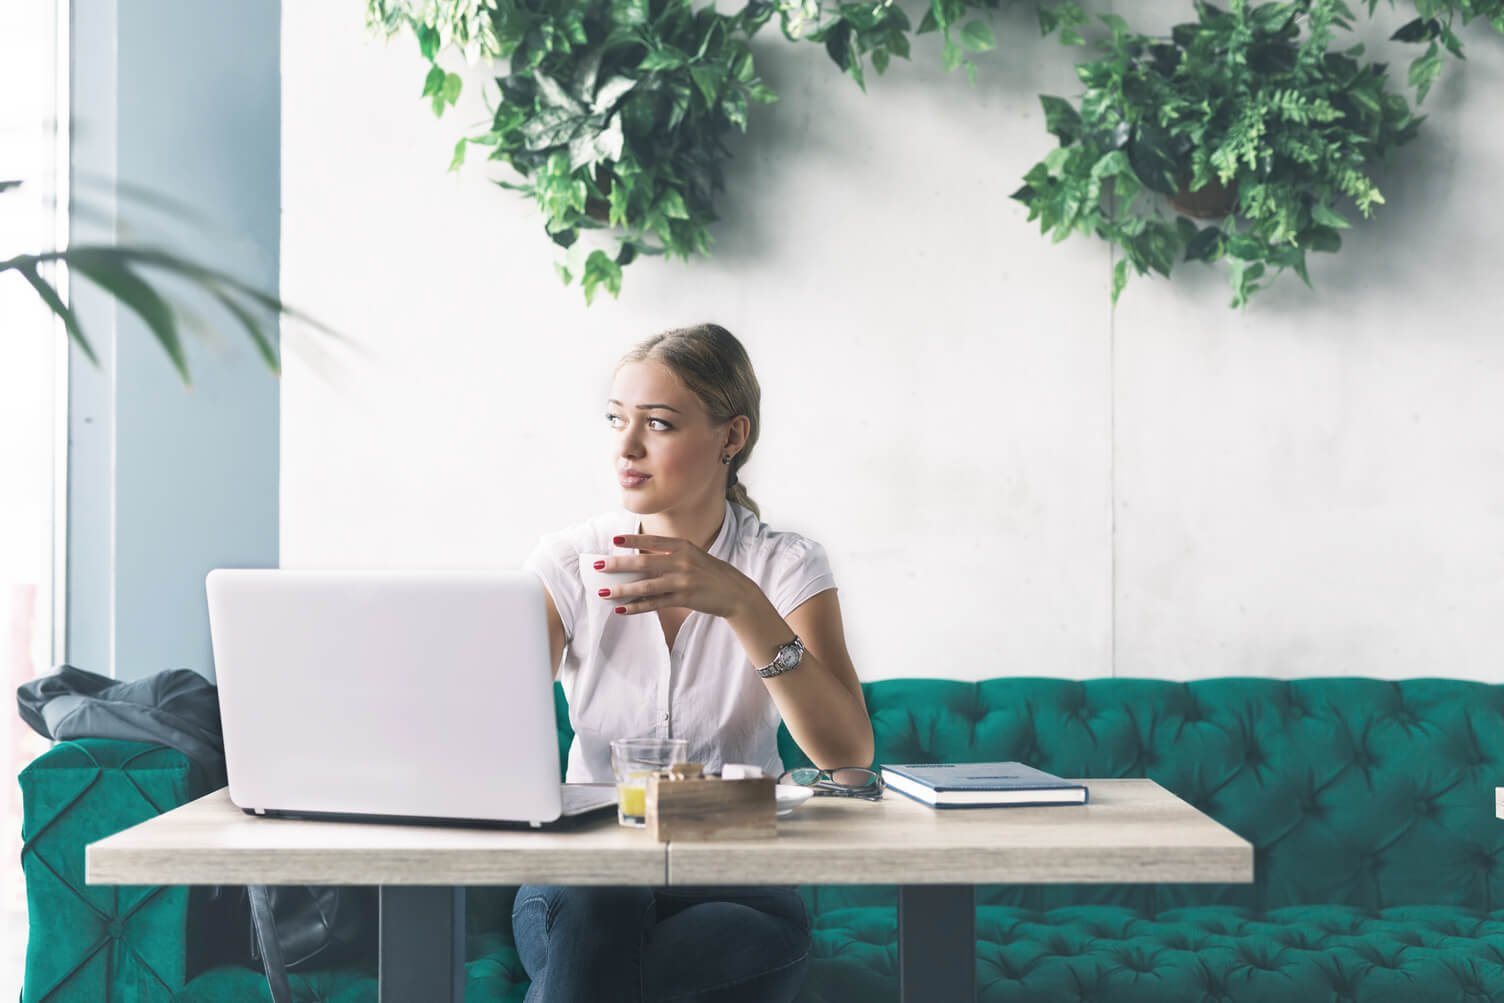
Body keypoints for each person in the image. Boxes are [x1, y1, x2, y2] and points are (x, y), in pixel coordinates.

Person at [514, 323, 873, 1002]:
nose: (626, 446)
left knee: (590, 971)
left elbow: (848, 754)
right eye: (617, 419)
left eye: (659, 423)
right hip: (585, 876)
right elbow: (488, 725)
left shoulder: (783, 565)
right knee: (600, 909)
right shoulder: (567, 562)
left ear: (731, 437)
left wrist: (743, 604)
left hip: (741, 882)